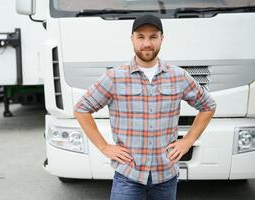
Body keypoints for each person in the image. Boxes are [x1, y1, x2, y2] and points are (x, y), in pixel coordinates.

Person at [73, 14, 216, 200]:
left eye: (153, 37)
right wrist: (104, 147)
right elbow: (81, 109)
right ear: (132, 39)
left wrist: (188, 141)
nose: (147, 43)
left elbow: (208, 105)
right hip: (128, 176)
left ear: (162, 39)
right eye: (141, 37)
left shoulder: (178, 76)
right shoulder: (114, 77)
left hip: (166, 176)